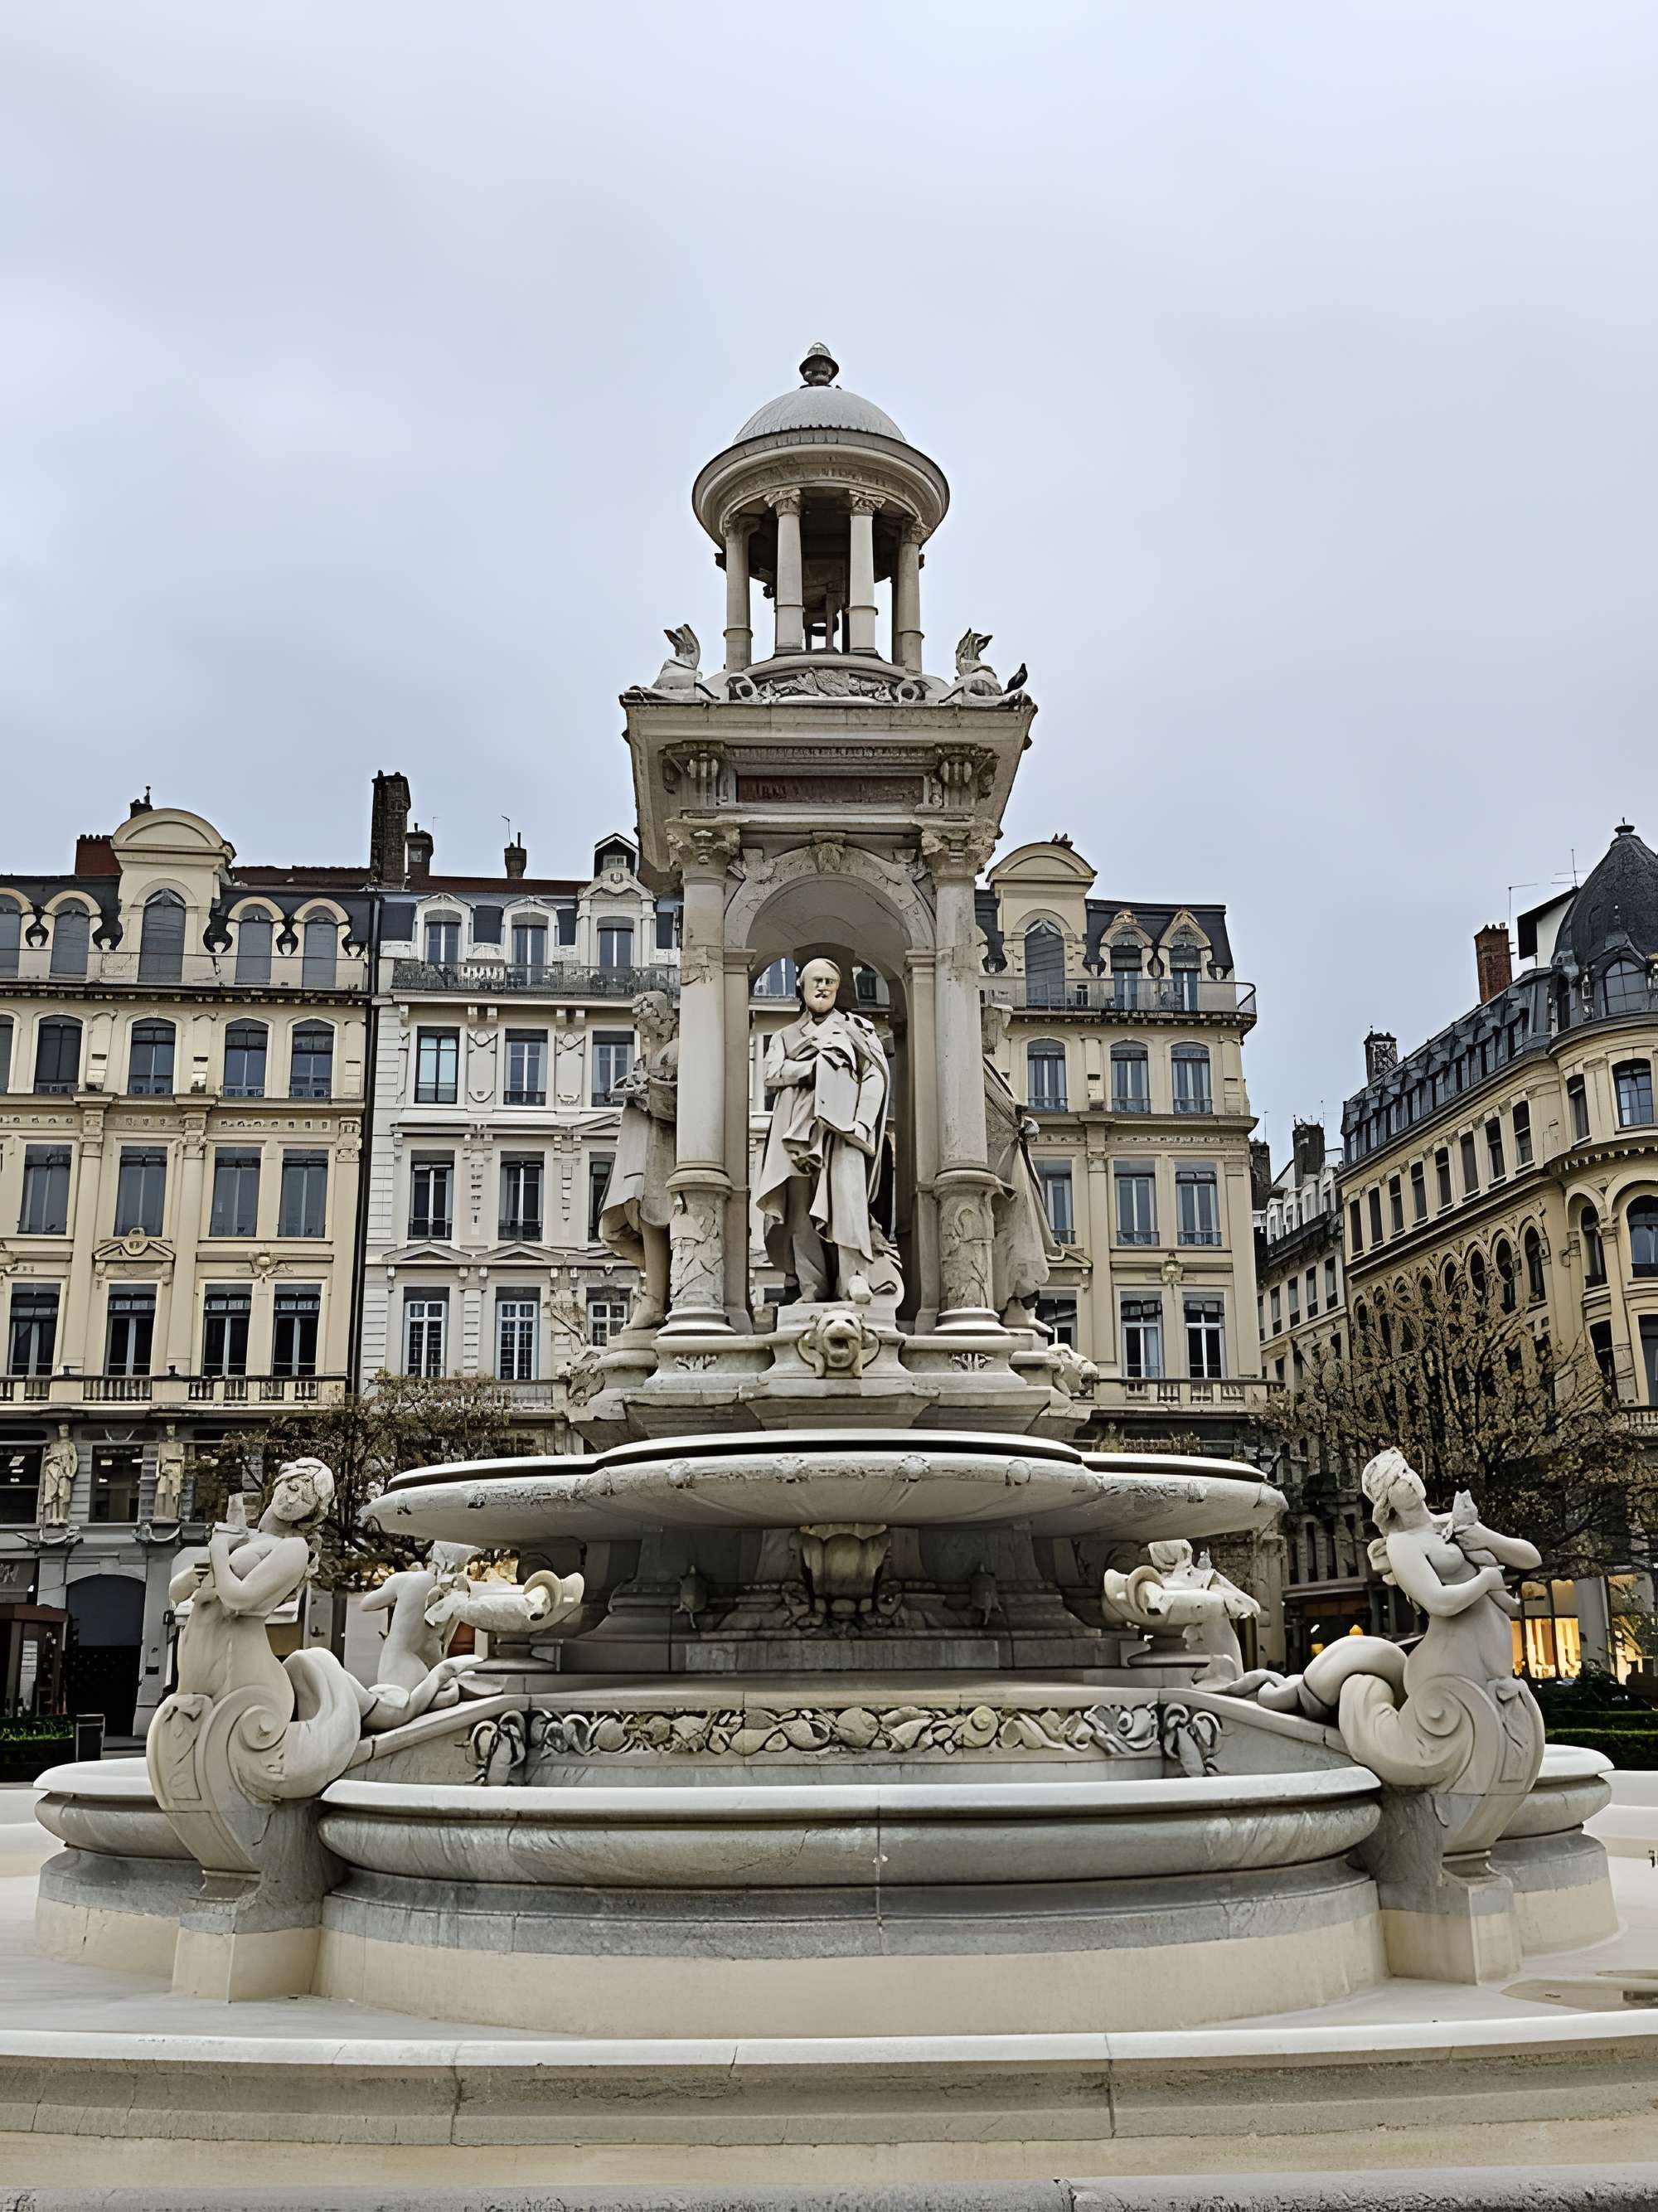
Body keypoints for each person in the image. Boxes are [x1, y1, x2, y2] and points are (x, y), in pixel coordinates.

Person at [755, 956, 890, 1302]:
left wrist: (862, 1122)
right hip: (795, 1131)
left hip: (844, 1127)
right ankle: (811, 1287)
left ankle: (855, 1277)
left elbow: (874, 1075)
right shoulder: (784, 1036)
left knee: (848, 1196)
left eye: (830, 981)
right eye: (816, 980)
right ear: (801, 987)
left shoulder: (857, 1029)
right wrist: (814, 1069)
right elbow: (771, 1073)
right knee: (799, 1208)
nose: (823, 987)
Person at [597, 990, 678, 1328]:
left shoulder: (678, 1050)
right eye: (640, 1021)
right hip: (637, 1152)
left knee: (651, 1218)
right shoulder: (648, 1056)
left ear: (664, 1018)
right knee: (613, 1229)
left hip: (662, 1151)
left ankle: (656, 1296)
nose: (644, 1027)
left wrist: (648, 1091)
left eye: (649, 1018)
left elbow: (685, 1101)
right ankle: (664, 1283)